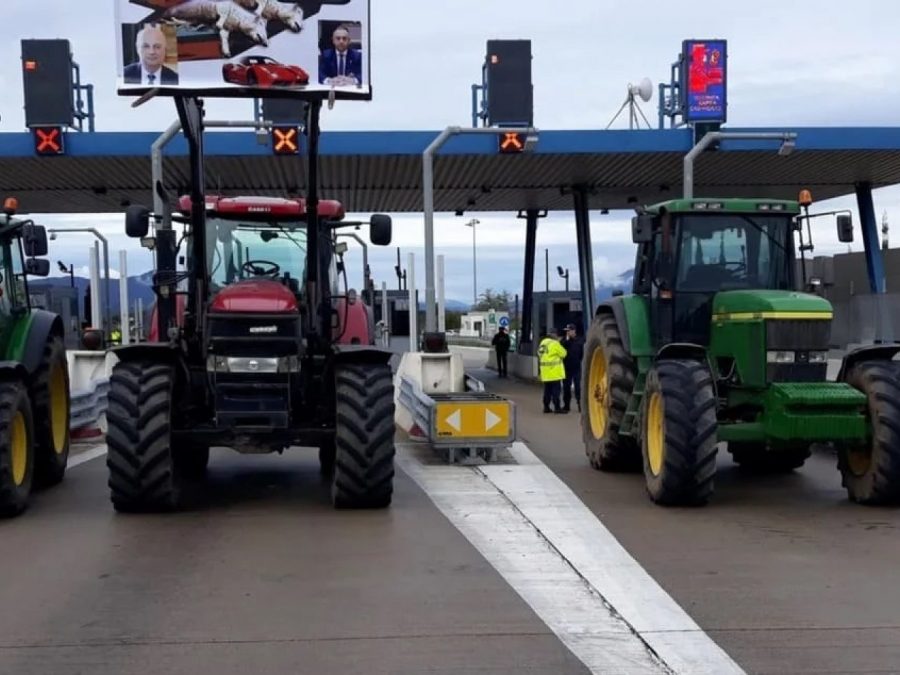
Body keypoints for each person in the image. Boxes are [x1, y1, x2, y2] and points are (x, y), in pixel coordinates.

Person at [538, 329, 567, 414]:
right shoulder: (555, 343)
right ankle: (557, 408)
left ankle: (546, 407)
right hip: (554, 372)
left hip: (545, 372)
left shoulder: (543, 343)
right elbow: (564, 353)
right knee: (555, 391)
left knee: (547, 390)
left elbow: (539, 354)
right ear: (554, 335)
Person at [561, 323, 584, 413]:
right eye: (567, 331)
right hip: (567, 367)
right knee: (566, 387)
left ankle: (580, 405)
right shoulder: (564, 341)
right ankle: (566, 405)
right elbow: (561, 347)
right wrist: (567, 338)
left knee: (578, 387)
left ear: (574, 331)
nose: (568, 332)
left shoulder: (580, 340)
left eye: (569, 330)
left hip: (577, 367)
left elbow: (582, 353)